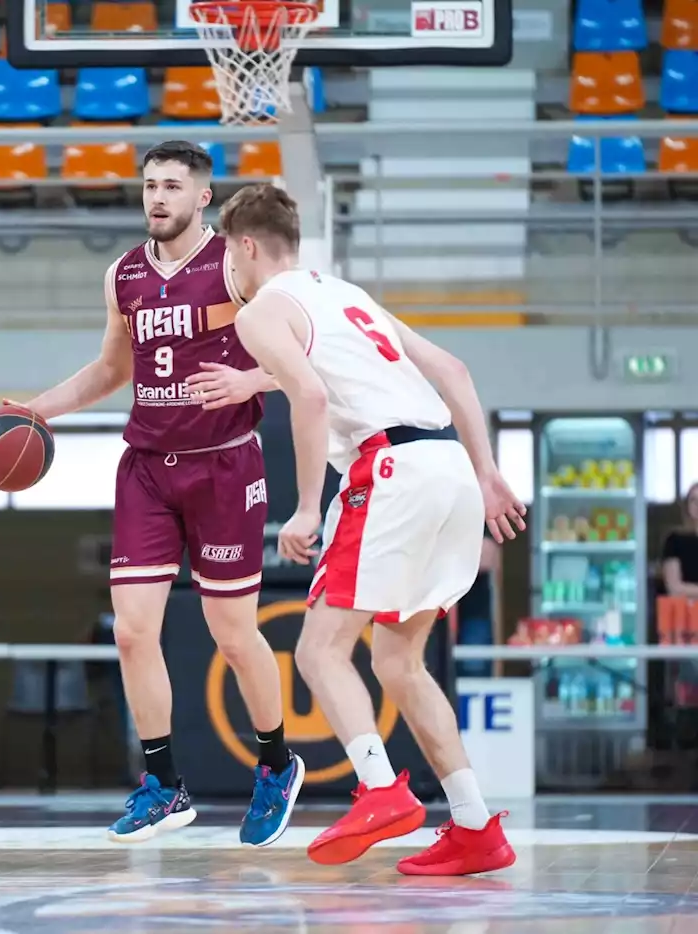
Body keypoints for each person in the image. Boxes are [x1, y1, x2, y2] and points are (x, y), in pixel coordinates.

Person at [220, 183, 526, 876]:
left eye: (227, 259)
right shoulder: (346, 295)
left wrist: (302, 508)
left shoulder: (262, 309)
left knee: (318, 652)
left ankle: (380, 787)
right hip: (449, 467)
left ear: (244, 247)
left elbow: (314, 394)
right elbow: (453, 370)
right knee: (398, 661)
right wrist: (489, 471)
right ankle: (476, 827)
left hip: (387, 473)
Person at [11, 141, 302, 846]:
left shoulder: (236, 264)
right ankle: (164, 785)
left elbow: (310, 343)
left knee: (232, 634)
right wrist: (35, 410)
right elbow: (111, 370)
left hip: (225, 465)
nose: (157, 198)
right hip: (147, 466)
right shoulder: (124, 275)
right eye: (148, 186)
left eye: (172, 186)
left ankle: (275, 763)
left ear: (203, 197)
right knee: (134, 631)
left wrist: (250, 382)